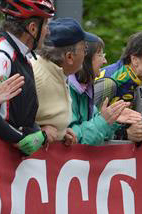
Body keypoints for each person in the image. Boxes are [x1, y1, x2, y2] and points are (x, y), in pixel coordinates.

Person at [0, 0, 55, 154]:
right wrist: (21, 139)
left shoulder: (22, 56)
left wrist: (38, 132)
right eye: (46, 24)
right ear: (33, 28)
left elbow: (21, 114)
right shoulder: (1, 55)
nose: (48, 31)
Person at [95, 29, 142, 142]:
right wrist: (124, 134)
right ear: (135, 59)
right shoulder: (110, 81)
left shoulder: (137, 80)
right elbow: (87, 124)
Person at [68, 34, 142, 145]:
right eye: (100, 55)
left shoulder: (85, 88)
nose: (105, 61)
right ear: (85, 58)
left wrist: (113, 120)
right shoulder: (68, 89)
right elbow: (73, 138)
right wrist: (104, 120)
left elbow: (96, 127)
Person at [32, 17, 97, 145]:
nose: (85, 55)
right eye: (84, 49)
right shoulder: (36, 77)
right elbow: (7, 120)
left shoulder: (57, 74)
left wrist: (61, 133)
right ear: (69, 57)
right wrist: (38, 132)